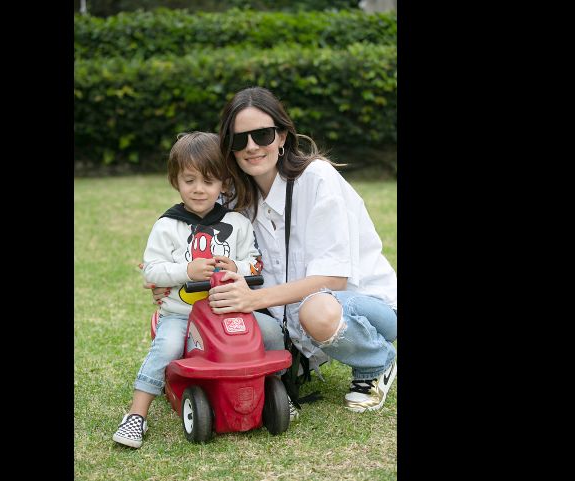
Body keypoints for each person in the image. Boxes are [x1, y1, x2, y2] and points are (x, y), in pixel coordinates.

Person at [148, 87, 397, 414]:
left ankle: (376, 362)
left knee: (316, 311)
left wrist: (254, 299)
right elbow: (195, 238)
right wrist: (168, 276)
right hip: (293, 316)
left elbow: (332, 280)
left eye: (262, 135)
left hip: (365, 306)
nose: (251, 147)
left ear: (282, 136)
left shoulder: (317, 179)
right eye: (239, 140)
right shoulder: (235, 200)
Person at [113, 132, 286, 449]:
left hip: (232, 309)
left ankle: (273, 390)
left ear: (224, 182)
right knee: (166, 349)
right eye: (189, 180)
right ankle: (136, 415)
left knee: (272, 333)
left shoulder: (236, 223)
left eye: (208, 181)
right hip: (183, 314)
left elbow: (256, 264)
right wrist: (186, 271)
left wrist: (236, 268)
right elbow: (152, 269)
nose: (198, 189)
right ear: (175, 181)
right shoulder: (167, 225)